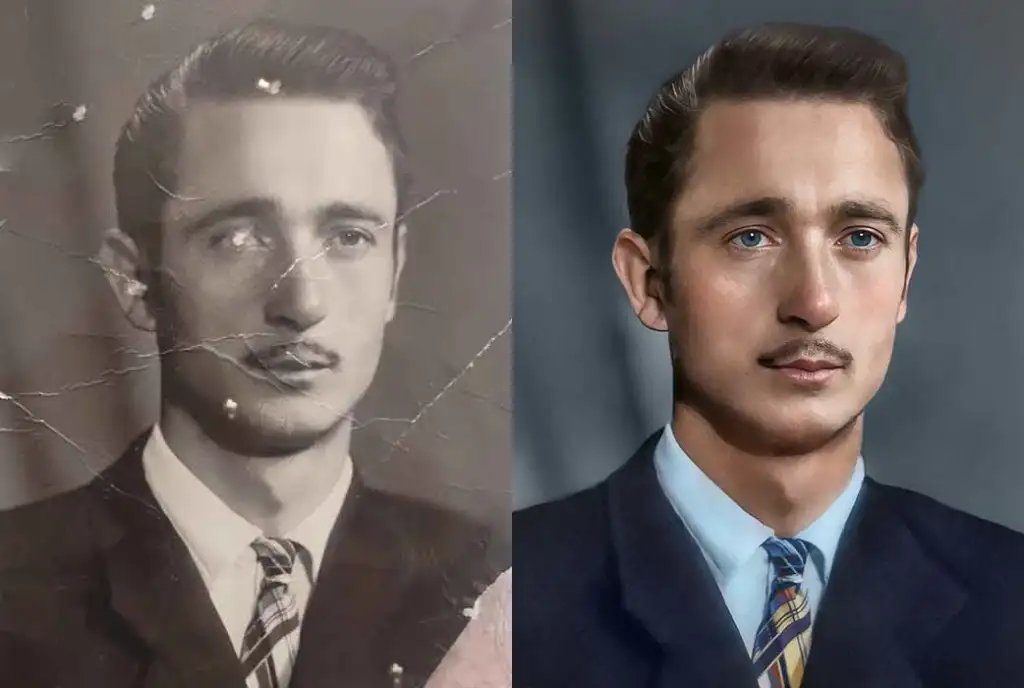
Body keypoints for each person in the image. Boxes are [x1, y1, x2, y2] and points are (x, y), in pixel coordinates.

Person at [514, 22, 1024, 688]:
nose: (813, 301)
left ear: (906, 273)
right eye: (751, 237)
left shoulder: (1010, 603)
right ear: (648, 282)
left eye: (861, 238)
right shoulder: (510, 599)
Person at [0, 19, 505, 688]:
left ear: (395, 270)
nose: (302, 301)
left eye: (349, 235)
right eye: (238, 237)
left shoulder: (497, 588)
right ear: (135, 279)